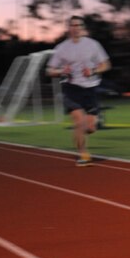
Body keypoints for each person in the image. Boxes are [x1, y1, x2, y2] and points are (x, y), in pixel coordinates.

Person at [46, 16, 111, 166]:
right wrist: (62, 70)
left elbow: (106, 64)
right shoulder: (61, 48)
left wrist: (94, 70)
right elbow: (50, 70)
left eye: (79, 25)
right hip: (71, 87)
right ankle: (83, 154)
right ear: (68, 28)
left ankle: (87, 129)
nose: (76, 28)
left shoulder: (93, 45)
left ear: (82, 27)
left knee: (90, 127)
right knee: (79, 122)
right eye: (73, 25)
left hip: (91, 87)